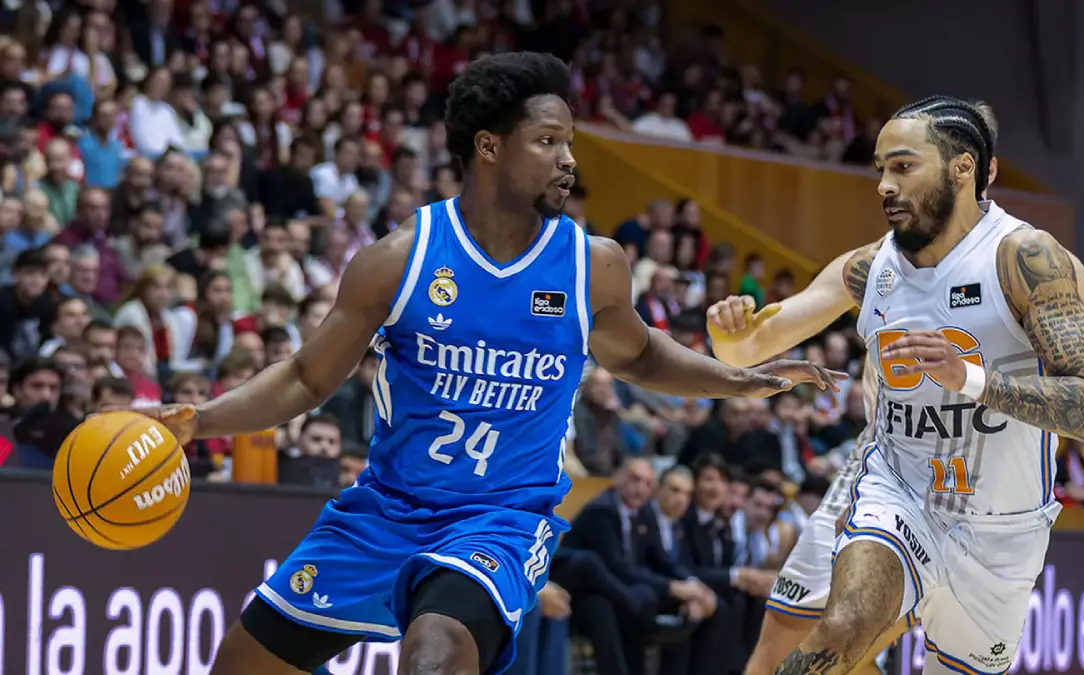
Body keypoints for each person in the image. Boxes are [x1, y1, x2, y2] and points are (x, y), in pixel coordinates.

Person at [144, 52, 845, 675]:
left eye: (569, 142)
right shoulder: (400, 259)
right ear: (488, 146)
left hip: (500, 518)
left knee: (434, 653)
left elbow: (640, 353)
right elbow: (306, 377)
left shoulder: (590, 263)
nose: (568, 159)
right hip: (386, 509)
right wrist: (198, 419)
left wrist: (738, 377)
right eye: (547, 141)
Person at [709, 96, 1084, 675]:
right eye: (880, 168)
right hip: (898, 487)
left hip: (1000, 522)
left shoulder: (1027, 260)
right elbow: (747, 347)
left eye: (901, 166)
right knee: (834, 628)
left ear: (967, 169)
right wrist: (726, 333)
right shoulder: (870, 266)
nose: (882, 184)